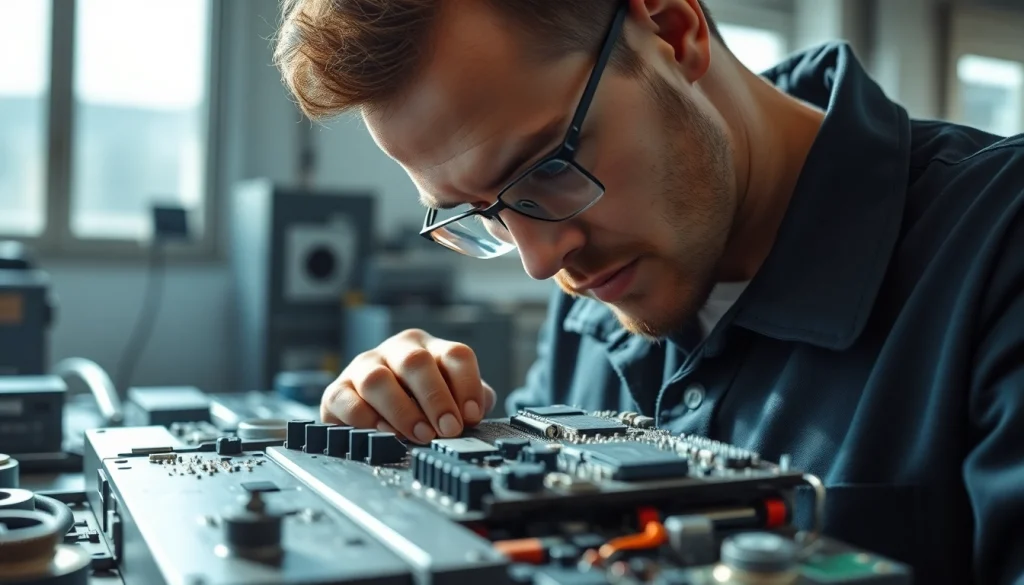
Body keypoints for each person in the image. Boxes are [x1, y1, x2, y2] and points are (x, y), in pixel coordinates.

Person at [273, 1, 1024, 582]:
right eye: (483, 215)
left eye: (547, 168)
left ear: (673, 31)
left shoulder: (999, 246)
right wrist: (415, 443)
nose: (541, 261)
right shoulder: (593, 282)